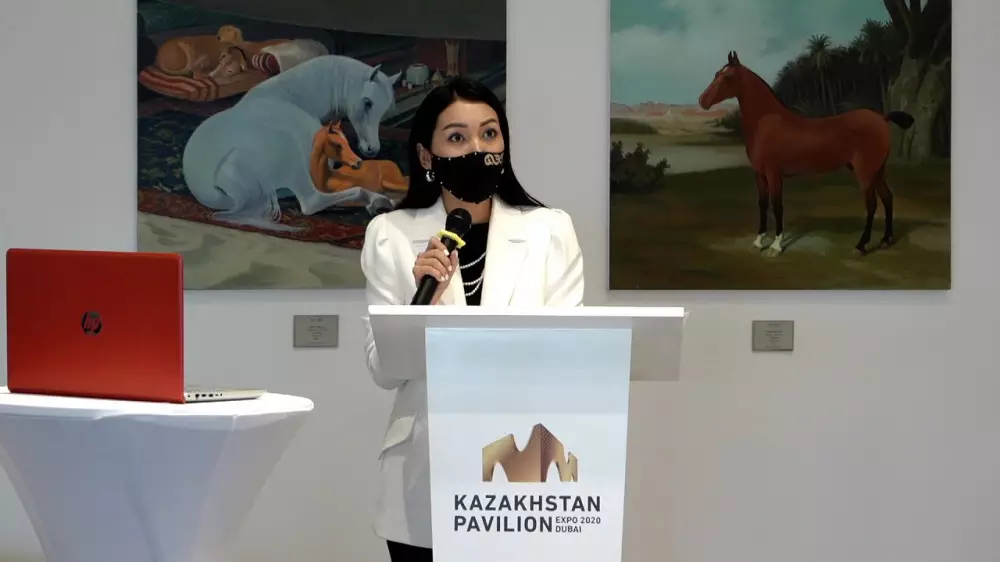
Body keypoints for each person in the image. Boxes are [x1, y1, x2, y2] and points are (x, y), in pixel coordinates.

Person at [358, 76, 584, 561]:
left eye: (489, 133)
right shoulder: (389, 234)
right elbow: (383, 370)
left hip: (524, 472)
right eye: (457, 137)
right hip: (425, 469)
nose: (477, 149)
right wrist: (422, 304)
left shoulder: (550, 230)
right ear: (427, 156)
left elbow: (571, 350)